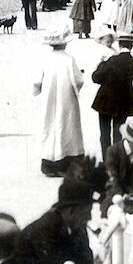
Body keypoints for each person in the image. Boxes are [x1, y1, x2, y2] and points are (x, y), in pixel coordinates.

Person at [34, 30, 86, 177]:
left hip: (49, 98)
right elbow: (78, 80)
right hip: (66, 98)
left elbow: (36, 81)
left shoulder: (45, 59)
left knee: (49, 125)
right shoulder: (69, 59)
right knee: (67, 126)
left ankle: (49, 164)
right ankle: (68, 162)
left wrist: (40, 90)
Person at [92, 33, 133, 154]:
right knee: (118, 131)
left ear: (119, 45)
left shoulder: (111, 60)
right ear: (131, 46)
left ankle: (106, 158)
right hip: (124, 99)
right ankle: (117, 158)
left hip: (106, 99)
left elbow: (95, 78)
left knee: (104, 132)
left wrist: (101, 63)